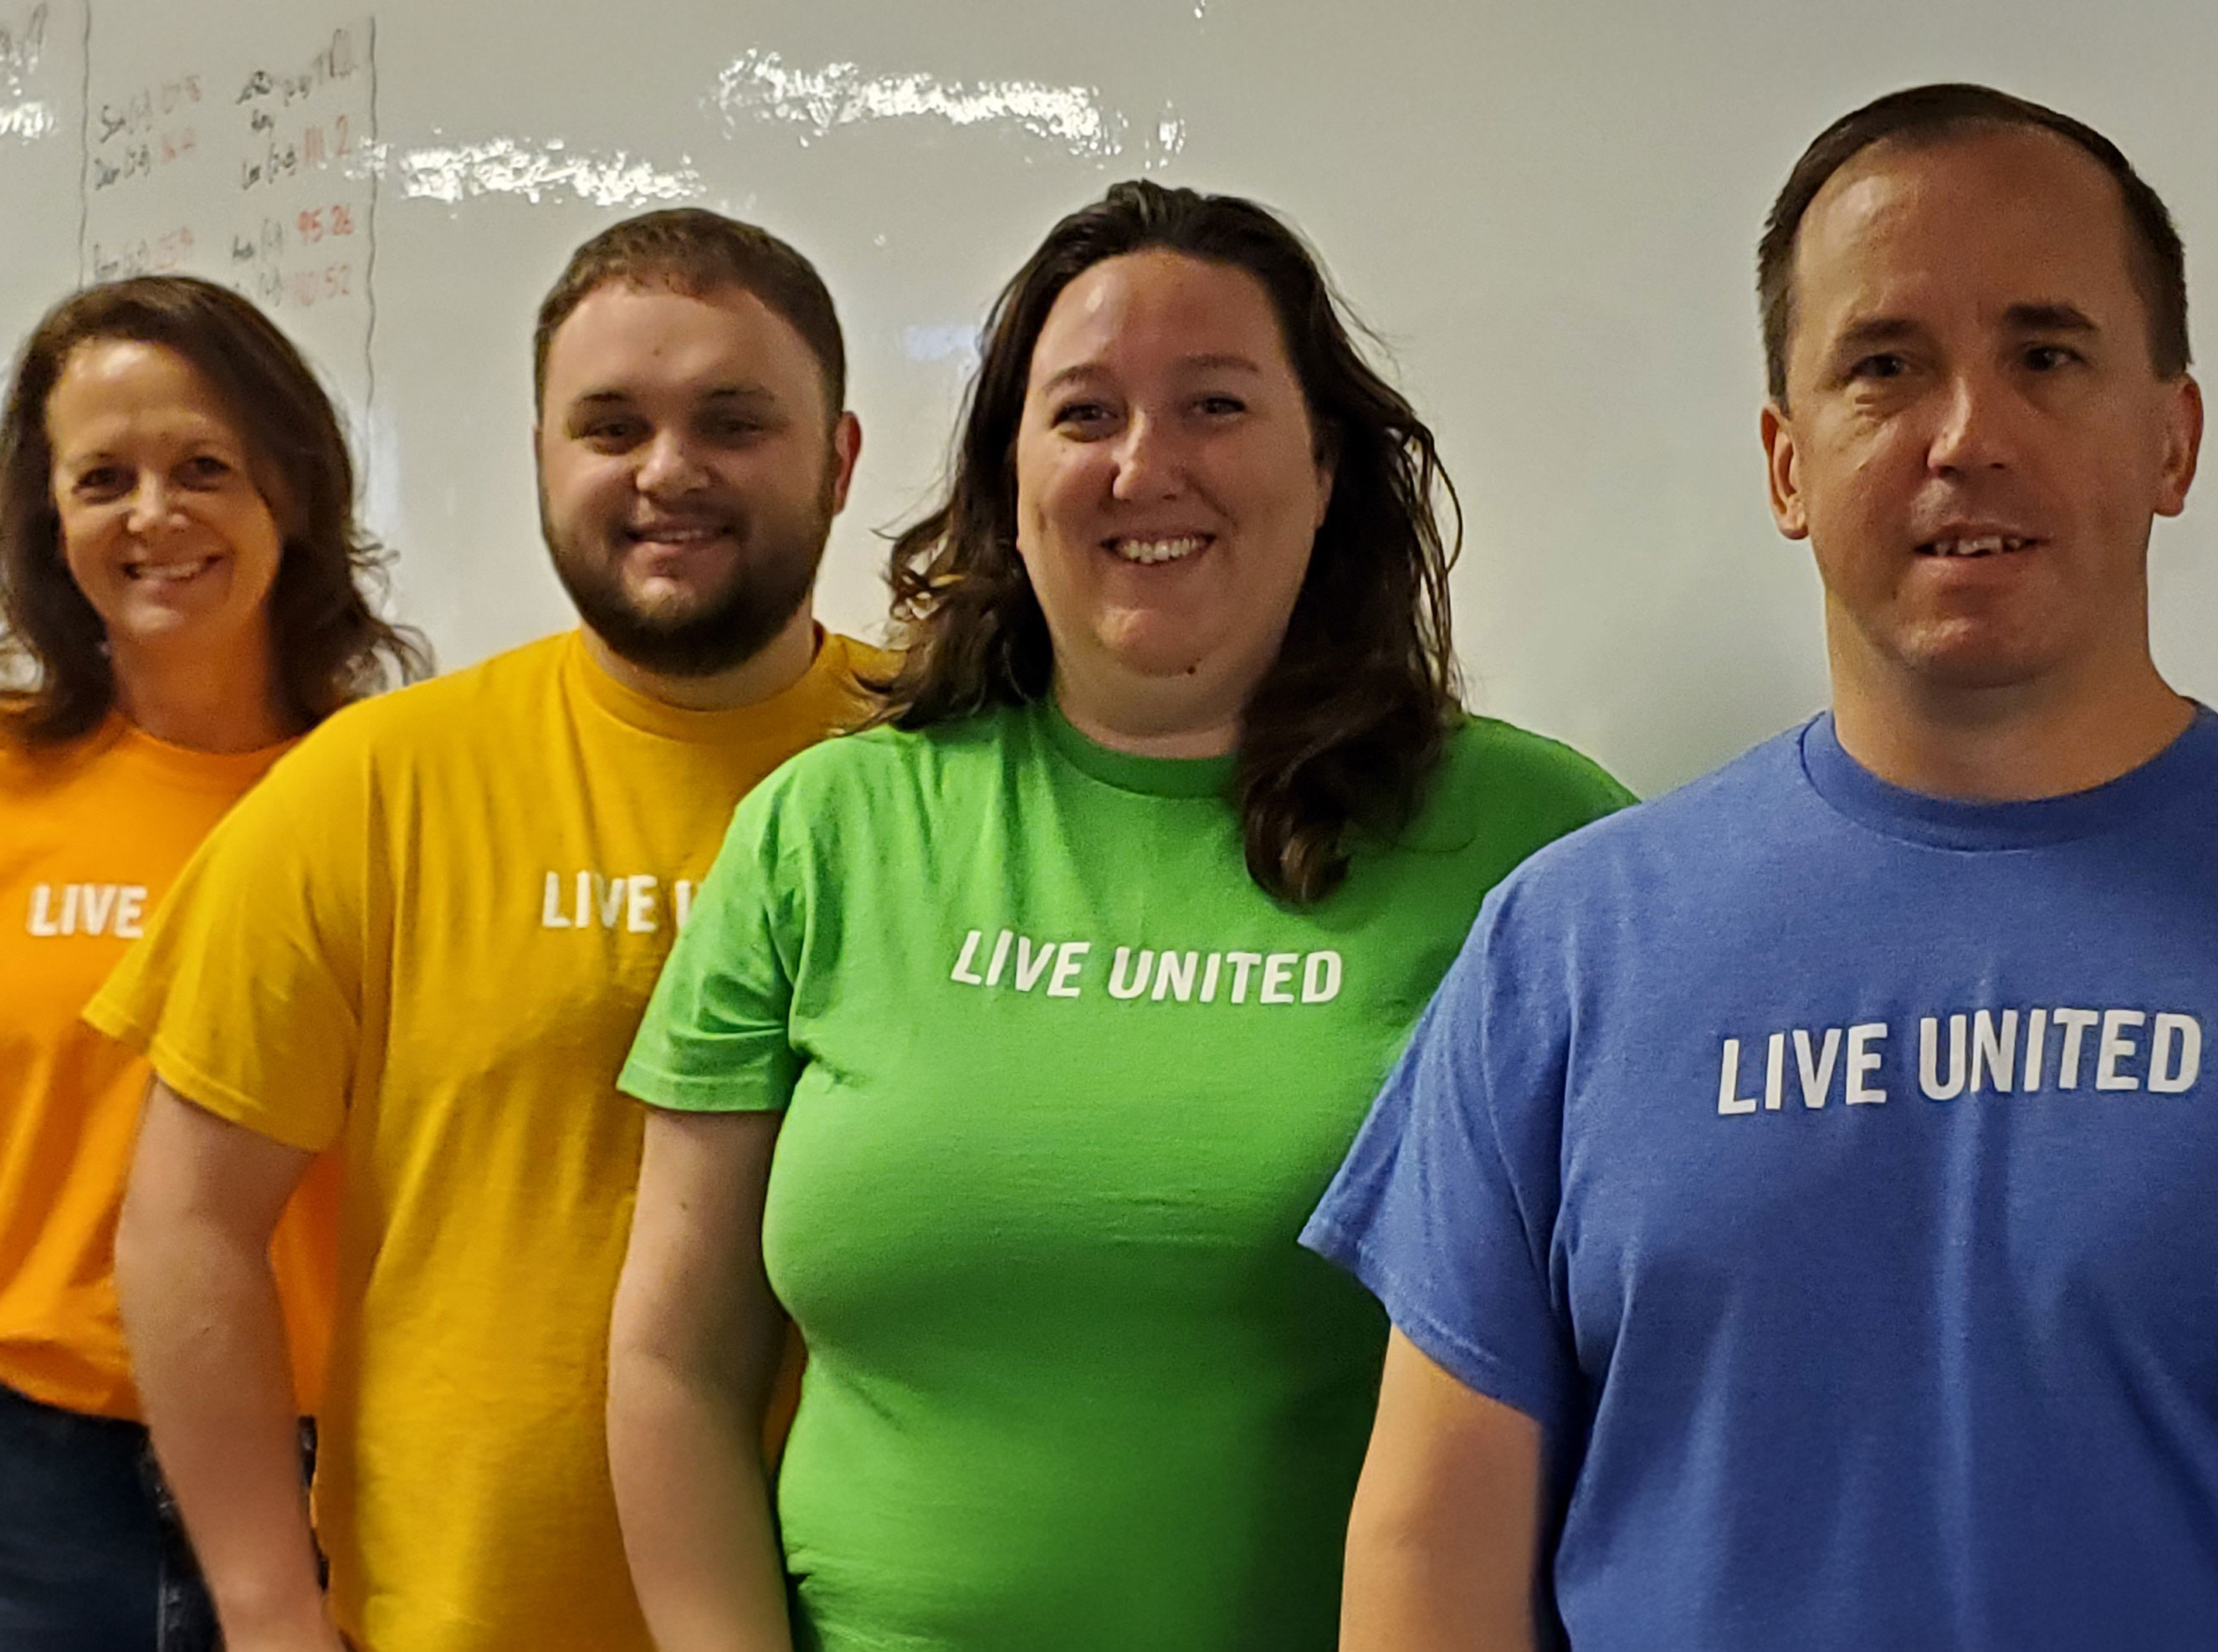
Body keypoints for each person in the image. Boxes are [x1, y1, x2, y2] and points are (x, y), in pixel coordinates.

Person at [607, 180, 1630, 1652]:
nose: (1146, 465)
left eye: (1213, 404)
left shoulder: (1536, 847)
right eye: (1083, 413)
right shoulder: (824, 831)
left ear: (1326, 461)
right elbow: (671, 1359)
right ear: (1008, 479)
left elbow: (1644, 1380)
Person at [1308, 83, 2215, 1651]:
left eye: (2045, 355)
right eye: (1884, 367)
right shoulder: (1570, 946)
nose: (1966, 433)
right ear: (1787, 466)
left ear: (2170, 436)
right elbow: (1428, 1568)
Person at [94, 207, 880, 1652]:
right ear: (539, 456)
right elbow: (185, 1223)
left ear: (836, 458)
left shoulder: (959, 767)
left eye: (733, 420)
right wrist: (269, 1608)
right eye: (609, 425)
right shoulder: (372, 788)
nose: (668, 471)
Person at [0, 274, 425, 1652]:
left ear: (290, 490)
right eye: (103, 477)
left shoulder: (389, 792)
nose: (153, 515)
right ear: (51, 522)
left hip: (326, 1479)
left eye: (202, 468)